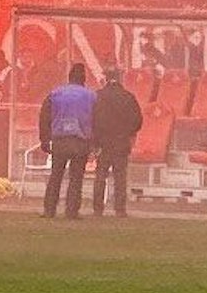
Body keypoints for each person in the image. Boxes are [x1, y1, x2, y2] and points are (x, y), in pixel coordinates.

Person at [37, 63, 95, 220]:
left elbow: (44, 117)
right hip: (80, 140)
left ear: (69, 77)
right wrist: (94, 142)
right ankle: (72, 211)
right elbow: (96, 119)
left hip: (60, 139)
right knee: (76, 178)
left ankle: (49, 210)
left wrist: (45, 139)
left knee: (56, 175)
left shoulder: (55, 93)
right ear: (83, 78)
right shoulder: (90, 96)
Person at [90, 65, 142, 218]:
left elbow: (91, 119)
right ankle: (120, 209)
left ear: (106, 78)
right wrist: (128, 133)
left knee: (100, 176)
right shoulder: (128, 97)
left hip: (103, 142)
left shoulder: (97, 96)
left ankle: (97, 209)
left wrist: (95, 140)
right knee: (120, 177)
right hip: (121, 141)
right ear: (120, 79)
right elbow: (137, 121)